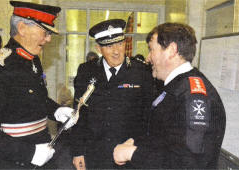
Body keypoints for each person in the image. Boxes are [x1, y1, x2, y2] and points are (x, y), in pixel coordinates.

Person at [0, 1, 78, 169]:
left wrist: (56, 110)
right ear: (22, 28)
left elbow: (35, 97)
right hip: (15, 160)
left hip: (44, 148)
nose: (48, 39)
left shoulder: (32, 59)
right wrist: (29, 153)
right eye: (45, 32)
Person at [113, 23, 226, 169]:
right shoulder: (174, 87)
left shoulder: (193, 96)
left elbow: (189, 163)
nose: (148, 58)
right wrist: (136, 142)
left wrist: (133, 153)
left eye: (151, 50)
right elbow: (164, 136)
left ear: (172, 50)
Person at [70, 19, 154, 169]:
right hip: (95, 153)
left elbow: (149, 116)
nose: (116, 51)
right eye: (109, 46)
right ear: (98, 48)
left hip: (129, 154)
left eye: (120, 44)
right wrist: (77, 152)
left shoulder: (141, 71)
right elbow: (78, 114)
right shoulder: (86, 71)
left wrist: (137, 143)